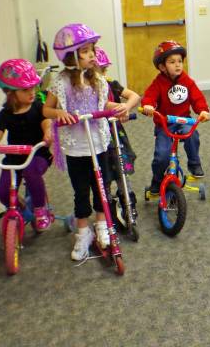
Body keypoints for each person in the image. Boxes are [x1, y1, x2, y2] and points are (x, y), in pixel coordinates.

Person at [43, 23, 126, 261]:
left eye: (92, 49)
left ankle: (102, 226)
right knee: (81, 191)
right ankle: (83, 232)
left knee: (102, 186)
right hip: (75, 147)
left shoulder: (98, 80)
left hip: (98, 142)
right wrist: (59, 114)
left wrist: (117, 108)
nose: (92, 55)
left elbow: (103, 106)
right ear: (71, 56)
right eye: (85, 51)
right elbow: (47, 109)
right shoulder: (62, 81)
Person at [0, 59, 53, 231]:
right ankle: (23, 207)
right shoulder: (5, 114)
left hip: (38, 154)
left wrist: (48, 132)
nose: (32, 92)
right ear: (10, 93)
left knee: (31, 171)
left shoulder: (38, 107)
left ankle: (40, 209)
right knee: (3, 193)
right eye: (26, 89)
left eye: (33, 87)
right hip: (13, 158)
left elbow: (46, 122)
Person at [141, 40, 210, 195]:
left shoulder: (187, 81)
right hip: (165, 123)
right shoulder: (158, 82)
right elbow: (149, 96)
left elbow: (197, 98)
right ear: (162, 66)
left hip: (184, 120)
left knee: (192, 135)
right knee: (161, 156)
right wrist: (148, 106)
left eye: (180, 61)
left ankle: (194, 164)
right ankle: (157, 180)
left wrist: (202, 111)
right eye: (172, 62)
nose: (178, 65)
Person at [94, 47, 141, 222]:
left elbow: (134, 96)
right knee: (103, 172)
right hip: (97, 134)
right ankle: (106, 206)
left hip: (115, 132)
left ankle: (128, 200)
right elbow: (101, 104)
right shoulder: (87, 88)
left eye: (104, 70)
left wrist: (126, 107)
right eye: (99, 70)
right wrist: (117, 107)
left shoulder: (109, 82)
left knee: (121, 167)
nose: (102, 74)